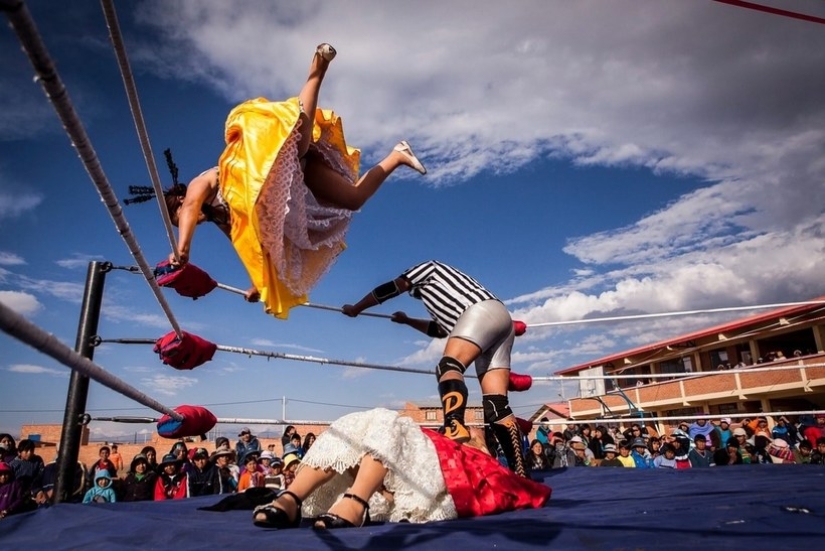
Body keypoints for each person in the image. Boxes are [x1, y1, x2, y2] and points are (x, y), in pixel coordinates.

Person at [147, 43, 427, 319]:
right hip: (296, 184)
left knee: (298, 141)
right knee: (353, 199)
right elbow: (250, 247)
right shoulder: (224, 217)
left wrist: (182, 248)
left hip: (269, 160)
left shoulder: (200, 185)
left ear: (180, 203)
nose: (193, 221)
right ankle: (397, 155)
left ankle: (317, 69)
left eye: (180, 216)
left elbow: (192, 206)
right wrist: (260, 284)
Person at [342, 260, 526, 477]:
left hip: (480, 311)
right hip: (502, 320)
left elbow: (392, 287)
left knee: (449, 364)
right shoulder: (441, 299)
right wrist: (408, 321)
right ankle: (520, 473)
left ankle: (454, 425)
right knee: (497, 404)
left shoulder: (429, 268)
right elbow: (438, 330)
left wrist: (357, 308)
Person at [251, 408, 550, 530]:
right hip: (406, 459)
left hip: (428, 476)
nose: (459, 427)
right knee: (368, 421)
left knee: (391, 422)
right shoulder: (443, 435)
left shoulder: (485, 461)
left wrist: (479, 444)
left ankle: (354, 502)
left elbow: (511, 487)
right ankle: (291, 499)